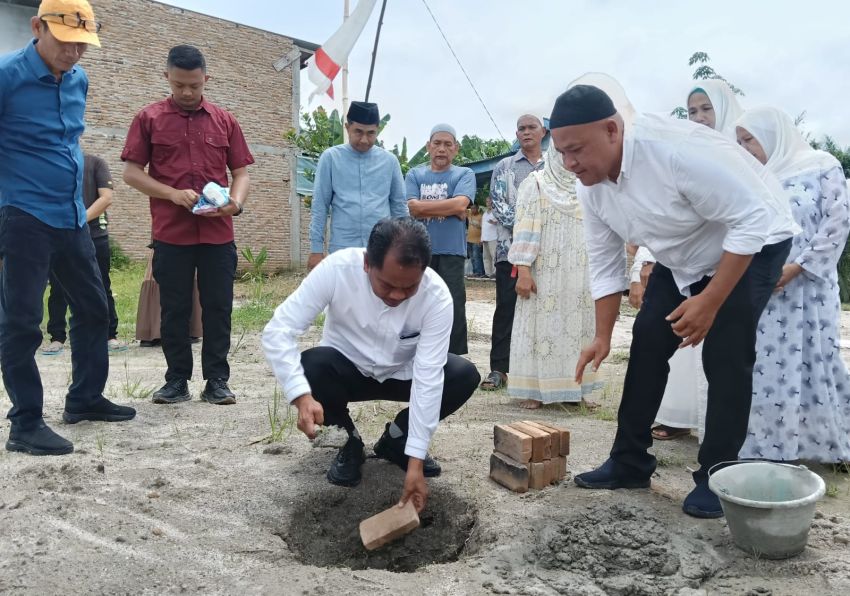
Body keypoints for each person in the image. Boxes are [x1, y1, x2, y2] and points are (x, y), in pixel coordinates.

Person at [552, 84, 797, 518]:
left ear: (612, 130)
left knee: (725, 352)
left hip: (753, 240)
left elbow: (752, 218)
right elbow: (605, 259)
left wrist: (711, 301)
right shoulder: (590, 185)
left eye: (577, 151)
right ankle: (629, 462)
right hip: (682, 252)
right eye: (562, 154)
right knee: (648, 338)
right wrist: (602, 334)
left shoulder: (674, 153)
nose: (570, 164)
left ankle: (717, 477)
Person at [262, 218, 480, 512]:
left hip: (404, 372)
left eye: (409, 287)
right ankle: (348, 443)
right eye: (387, 285)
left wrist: (415, 461)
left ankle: (398, 442)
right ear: (367, 263)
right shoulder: (336, 270)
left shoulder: (437, 296)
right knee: (311, 366)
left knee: (462, 375)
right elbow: (278, 330)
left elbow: (428, 377)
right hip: (345, 370)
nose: (398, 295)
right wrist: (301, 396)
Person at [0, 0, 136, 456]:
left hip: (72, 215)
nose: (74, 53)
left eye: (83, 45)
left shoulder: (79, 78)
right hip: (23, 216)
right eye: (65, 42)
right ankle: (25, 423)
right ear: (38, 27)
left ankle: (84, 398)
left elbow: (68, 139)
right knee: (22, 322)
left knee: (95, 309)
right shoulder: (7, 76)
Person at [122, 45, 254, 406]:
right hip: (171, 233)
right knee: (174, 309)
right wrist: (170, 193)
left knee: (218, 308)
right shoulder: (148, 119)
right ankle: (176, 380)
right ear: (167, 77)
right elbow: (132, 173)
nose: (186, 92)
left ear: (205, 80)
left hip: (217, 234)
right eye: (179, 84)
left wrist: (235, 204)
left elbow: (240, 172)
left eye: (194, 85)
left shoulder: (225, 120)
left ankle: (217, 381)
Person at [736, 107, 850, 464]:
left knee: (815, 357)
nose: (745, 148)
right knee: (770, 366)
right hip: (767, 289)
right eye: (739, 142)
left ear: (772, 133)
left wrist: (798, 267)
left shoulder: (821, 165)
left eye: (749, 139)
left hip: (809, 288)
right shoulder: (755, 177)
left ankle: (821, 444)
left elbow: (838, 221)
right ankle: (768, 445)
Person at [646, 79, 749, 441]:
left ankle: (720, 439)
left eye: (707, 109)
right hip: (685, 268)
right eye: (692, 111)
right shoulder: (682, 153)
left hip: (731, 267)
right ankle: (677, 416)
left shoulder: (742, 155)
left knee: (724, 354)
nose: (700, 118)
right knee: (681, 343)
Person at [507, 142, 600, 409]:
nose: (569, 158)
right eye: (563, 152)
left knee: (579, 326)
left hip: (580, 272)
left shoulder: (587, 186)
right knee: (541, 328)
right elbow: (524, 228)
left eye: (575, 151)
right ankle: (536, 391)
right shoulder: (536, 183)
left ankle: (577, 389)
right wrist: (523, 269)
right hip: (545, 271)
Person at [480, 115, 546, 390]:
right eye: (521, 128)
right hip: (510, 251)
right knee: (506, 309)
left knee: (542, 311)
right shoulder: (503, 167)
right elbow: (498, 204)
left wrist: (540, 230)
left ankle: (536, 370)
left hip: (546, 253)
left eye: (532, 127)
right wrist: (528, 228)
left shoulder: (555, 166)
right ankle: (499, 369)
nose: (527, 132)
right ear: (516, 134)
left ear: (543, 132)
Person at [42, 153, 127, 356]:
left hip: (95, 234)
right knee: (58, 288)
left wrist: (79, 220)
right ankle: (57, 337)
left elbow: (106, 198)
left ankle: (109, 335)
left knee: (102, 285)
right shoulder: (50, 162)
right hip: (59, 234)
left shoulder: (95, 162)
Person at [308, 101, 408, 270]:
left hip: (381, 249)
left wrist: (406, 247)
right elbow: (320, 206)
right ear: (347, 127)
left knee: (380, 296)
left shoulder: (390, 162)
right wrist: (316, 250)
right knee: (343, 295)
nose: (364, 139)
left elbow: (399, 208)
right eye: (358, 132)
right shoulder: (331, 158)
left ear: (378, 130)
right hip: (342, 249)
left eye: (371, 133)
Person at [406, 124, 476, 356]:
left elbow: (460, 205)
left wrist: (428, 207)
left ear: (455, 149)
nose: (442, 149)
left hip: (452, 252)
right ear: (428, 146)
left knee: (452, 305)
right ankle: (416, 355)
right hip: (419, 252)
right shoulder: (415, 174)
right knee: (416, 303)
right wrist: (451, 207)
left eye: (448, 144)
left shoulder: (464, 174)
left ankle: (453, 358)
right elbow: (412, 209)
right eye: (437, 143)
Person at [481, 197, 498, 277]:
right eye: (487, 202)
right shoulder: (484, 214)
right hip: (485, 238)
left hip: (493, 237)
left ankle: (495, 273)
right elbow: (483, 226)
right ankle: (488, 273)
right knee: (486, 257)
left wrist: (494, 222)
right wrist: (482, 238)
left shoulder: (495, 212)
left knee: (493, 256)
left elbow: (499, 223)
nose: (488, 203)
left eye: (490, 202)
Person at [466, 203, 485, 277]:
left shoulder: (481, 217)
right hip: (469, 240)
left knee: (477, 257)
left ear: (478, 209)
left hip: (477, 240)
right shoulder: (469, 214)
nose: (472, 210)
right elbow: (464, 208)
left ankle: (479, 272)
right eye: (471, 208)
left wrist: (482, 239)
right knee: (472, 258)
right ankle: (475, 272)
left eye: (474, 208)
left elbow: (483, 228)